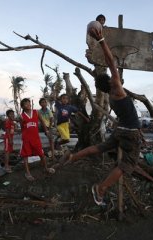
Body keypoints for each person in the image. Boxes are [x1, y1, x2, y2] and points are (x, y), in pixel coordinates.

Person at [60, 25, 141, 206]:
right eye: (112, 77)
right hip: (129, 133)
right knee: (127, 164)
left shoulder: (111, 96)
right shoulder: (117, 89)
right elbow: (111, 62)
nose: (114, 76)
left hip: (121, 130)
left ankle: (73, 156)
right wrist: (102, 40)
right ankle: (101, 188)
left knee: (98, 148)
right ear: (111, 81)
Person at [19, 98, 55, 181]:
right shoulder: (21, 116)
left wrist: (46, 130)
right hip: (26, 139)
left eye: (29, 103)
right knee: (25, 156)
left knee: (41, 154)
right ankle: (27, 173)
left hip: (36, 138)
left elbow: (42, 121)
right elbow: (22, 128)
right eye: (26, 104)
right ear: (22, 106)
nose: (28, 105)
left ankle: (46, 168)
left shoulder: (36, 112)